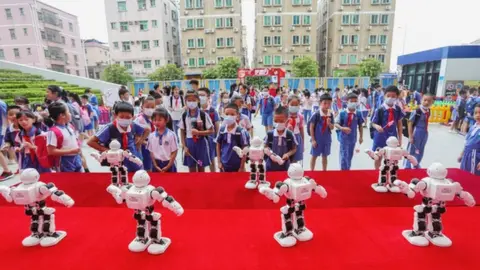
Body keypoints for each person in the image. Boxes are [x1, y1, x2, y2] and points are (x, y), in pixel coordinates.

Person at [88, 101, 146, 172]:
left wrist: (138, 139)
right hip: (118, 164)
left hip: (135, 160)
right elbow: (90, 142)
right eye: (121, 117)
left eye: (128, 117)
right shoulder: (109, 128)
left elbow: (146, 129)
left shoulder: (133, 125)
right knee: (120, 179)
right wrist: (108, 151)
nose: (125, 119)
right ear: (115, 116)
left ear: (133, 117)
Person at [179, 90, 214, 172]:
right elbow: (182, 131)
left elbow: (211, 130)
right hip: (189, 144)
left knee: (201, 165)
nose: (191, 102)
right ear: (185, 102)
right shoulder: (184, 116)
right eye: (189, 100)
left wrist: (199, 133)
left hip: (201, 144)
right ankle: (192, 183)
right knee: (191, 167)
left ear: (198, 100)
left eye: (194, 100)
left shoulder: (203, 114)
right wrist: (184, 146)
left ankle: (201, 183)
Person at [371, 85, 405, 170]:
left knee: (392, 157)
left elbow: (399, 124)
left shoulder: (397, 109)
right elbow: (372, 123)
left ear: (397, 96)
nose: (390, 98)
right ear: (384, 96)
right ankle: (377, 173)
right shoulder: (379, 109)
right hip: (380, 137)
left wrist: (400, 139)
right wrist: (377, 126)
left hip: (392, 137)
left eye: (393, 96)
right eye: (388, 96)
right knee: (378, 157)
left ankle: (390, 175)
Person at [46, 102, 83, 172]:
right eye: (68, 112)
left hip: (76, 158)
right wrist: (71, 151)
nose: (70, 114)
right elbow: (51, 151)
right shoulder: (53, 131)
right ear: (62, 115)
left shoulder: (69, 127)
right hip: (64, 161)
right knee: (68, 181)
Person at [216, 103, 249, 172]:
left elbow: (245, 150)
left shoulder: (241, 131)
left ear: (237, 116)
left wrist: (242, 167)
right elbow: (218, 145)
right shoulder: (222, 130)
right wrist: (219, 162)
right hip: (223, 164)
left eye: (232, 114)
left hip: (237, 165)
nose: (229, 116)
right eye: (227, 114)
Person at [404, 94, 435, 169]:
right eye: (425, 100)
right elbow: (410, 123)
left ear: (432, 102)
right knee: (412, 150)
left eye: (429, 101)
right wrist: (410, 136)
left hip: (424, 132)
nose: (426, 102)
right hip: (416, 131)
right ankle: (407, 166)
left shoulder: (428, 110)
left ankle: (416, 164)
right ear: (421, 100)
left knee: (420, 149)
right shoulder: (417, 111)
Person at [335, 93, 364, 170]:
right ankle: (343, 171)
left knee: (350, 155)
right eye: (351, 101)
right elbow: (336, 124)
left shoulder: (358, 113)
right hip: (344, 138)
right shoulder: (342, 113)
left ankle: (347, 169)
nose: (353, 103)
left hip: (353, 138)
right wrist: (342, 128)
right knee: (344, 154)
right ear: (347, 102)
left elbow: (360, 125)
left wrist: (361, 137)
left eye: (355, 101)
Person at [264, 106, 297, 172]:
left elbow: (294, 148)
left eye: (281, 121)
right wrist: (270, 154)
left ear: (287, 121)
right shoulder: (270, 134)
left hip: (285, 166)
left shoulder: (290, 135)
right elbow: (265, 146)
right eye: (276, 121)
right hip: (270, 165)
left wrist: (287, 154)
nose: (278, 123)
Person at [147, 108, 178, 173]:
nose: (157, 122)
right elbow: (151, 152)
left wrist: (168, 165)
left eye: (159, 120)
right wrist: (155, 165)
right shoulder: (151, 136)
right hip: (156, 163)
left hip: (169, 163)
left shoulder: (171, 135)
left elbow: (174, 151)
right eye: (155, 120)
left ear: (166, 120)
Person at [309, 94, 335, 171]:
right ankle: (312, 171)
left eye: (329, 103)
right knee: (314, 156)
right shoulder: (316, 114)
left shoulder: (330, 115)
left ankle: (324, 171)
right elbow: (311, 127)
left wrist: (329, 124)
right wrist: (313, 139)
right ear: (320, 103)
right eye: (325, 103)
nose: (327, 105)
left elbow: (332, 127)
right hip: (317, 139)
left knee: (325, 156)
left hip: (326, 139)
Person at [199, 87, 220, 173]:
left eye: (202, 95)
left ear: (208, 97)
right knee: (200, 162)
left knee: (211, 161)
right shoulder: (194, 111)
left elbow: (217, 128)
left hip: (210, 140)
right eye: (198, 95)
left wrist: (217, 141)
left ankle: (213, 177)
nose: (200, 97)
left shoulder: (212, 111)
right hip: (198, 140)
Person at [134, 96, 156, 171]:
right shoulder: (139, 120)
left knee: (153, 166)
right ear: (142, 107)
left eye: (152, 107)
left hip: (154, 146)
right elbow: (136, 138)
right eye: (147, 107)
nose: (150, 109)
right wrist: (146, 143)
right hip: (143, 147)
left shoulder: (155, 119)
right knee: (146, 168)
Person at [458, 103, 480, 175]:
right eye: (475, 113)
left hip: (475, 156)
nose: (477, 115)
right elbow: (467, 142)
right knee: (463, 173)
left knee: (472, 176)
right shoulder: (473, 127)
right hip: (467, 155)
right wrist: (461, 154)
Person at [286, 95, 304, 163]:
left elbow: (301, 129)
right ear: (288, 104)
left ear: (299, 105)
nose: (294, 106)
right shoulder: (285, 115)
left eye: (296, 105)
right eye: (292, 104)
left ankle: (294, 170)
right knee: (287, 157)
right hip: (287, 138)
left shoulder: (300, 116)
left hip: (297, 137)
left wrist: (302, 143)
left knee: (295, 158)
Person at [0, 100, 14, 180]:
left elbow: (6, 116)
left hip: (1, 129)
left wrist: (8, 129)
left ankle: (7, 171)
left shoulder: (0, 104)